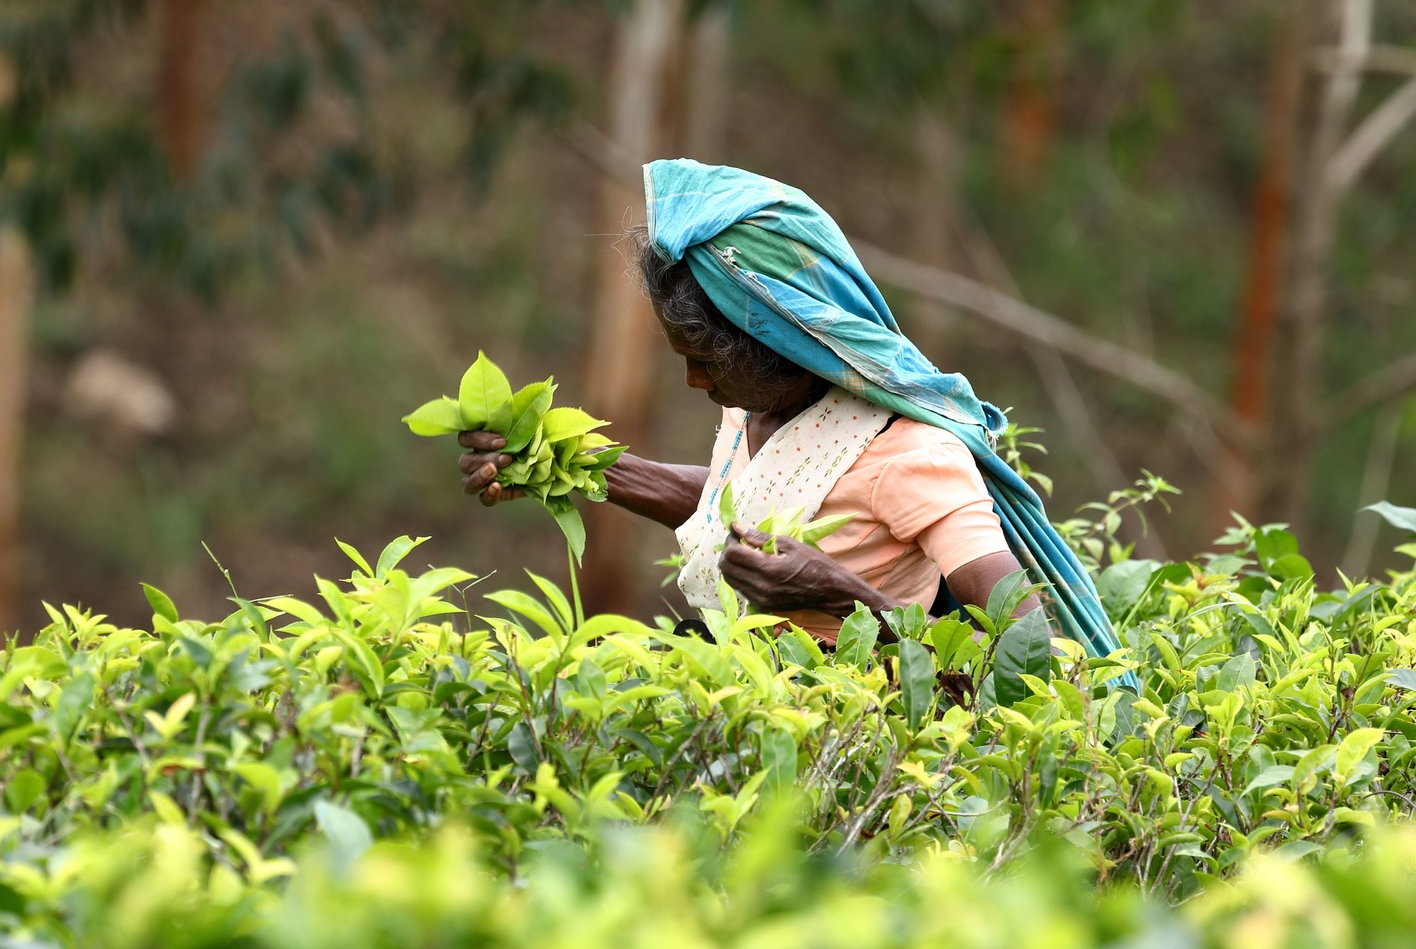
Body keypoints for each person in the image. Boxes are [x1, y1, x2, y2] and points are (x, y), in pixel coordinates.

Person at [457, 159, 1122, 657]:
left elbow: (1027, 641)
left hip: (859, 754)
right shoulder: (752, 410)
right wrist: (566, 463)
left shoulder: (913, 453)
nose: (692, 381)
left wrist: (841, 595)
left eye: (709, 361)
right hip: (739, 707)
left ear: (784, 344)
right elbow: (738, 500)